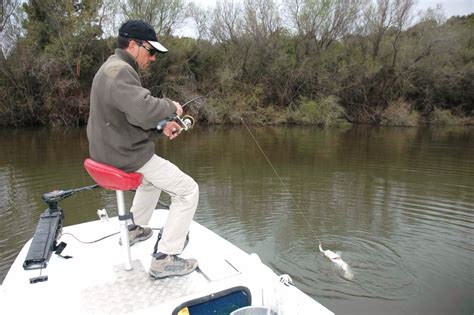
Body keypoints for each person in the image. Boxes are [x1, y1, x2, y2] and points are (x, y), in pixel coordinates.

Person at [86, 20, 199, 279]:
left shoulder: (111, 68)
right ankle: (166, 257)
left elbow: (131, 117)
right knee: (188, 190)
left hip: (109, 150)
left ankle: (134, 228)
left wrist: (162, 127)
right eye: (151, 51)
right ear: (134, 45)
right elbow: (145, 107)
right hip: (123, 155)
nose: (153, 58)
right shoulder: (120, 71)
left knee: (151, 182)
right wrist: (171, 107)